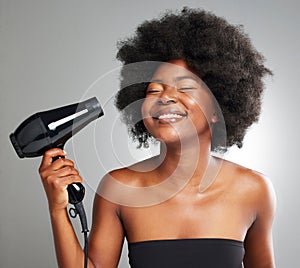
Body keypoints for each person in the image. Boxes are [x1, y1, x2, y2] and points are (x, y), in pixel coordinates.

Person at [39, 7, 276, 268]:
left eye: (185, 87)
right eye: (153, 90)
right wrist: (57, 209)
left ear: (218, 109)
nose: (164, 97)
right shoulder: (118, 189)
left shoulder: (254, 190)